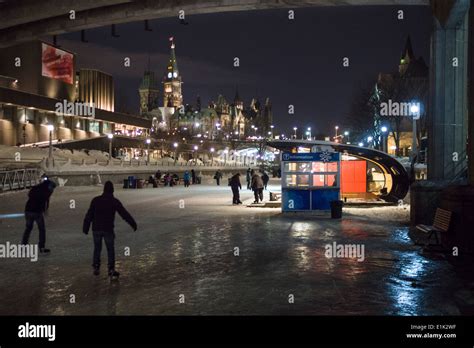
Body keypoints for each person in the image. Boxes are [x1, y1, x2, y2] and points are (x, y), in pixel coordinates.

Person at [83, 181, 137, 278]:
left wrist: (85, 227)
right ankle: (111, 269)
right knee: (110, 249)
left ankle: (96, 266)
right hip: (108, 229)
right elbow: (124, 213)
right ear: (112, 190)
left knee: (97, 248)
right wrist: (132, 223)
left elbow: (89, 214)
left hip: (96, 229)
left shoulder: (95, 200)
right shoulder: (114, 201)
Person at [21, 176, 56, 253]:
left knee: (28, 228)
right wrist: (45, 210)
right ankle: (41, 247)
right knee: (41, 229)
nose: (52, 190)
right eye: (52, 188)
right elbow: (46, 201)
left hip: (28, 210)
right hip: (37, 212)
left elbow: (29, 194)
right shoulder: (47, 192)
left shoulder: (36, 187)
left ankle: (23, 245)